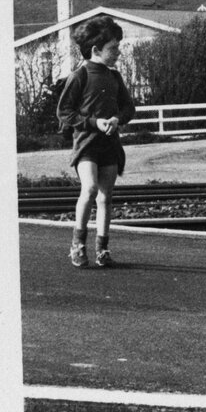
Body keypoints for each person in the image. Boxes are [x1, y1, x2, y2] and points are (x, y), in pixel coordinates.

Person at [56, 15, 136, 268]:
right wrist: (93, 123)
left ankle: (103, 248)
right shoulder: (79, 76)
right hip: (87, 144)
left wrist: (116, 119)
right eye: (113, 48)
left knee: (106, 197)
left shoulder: (115, 77)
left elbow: (128, 108)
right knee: (89, 190)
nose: (118, 53)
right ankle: (77, 245)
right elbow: (65, 112)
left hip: (110, 145)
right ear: (95, 50)